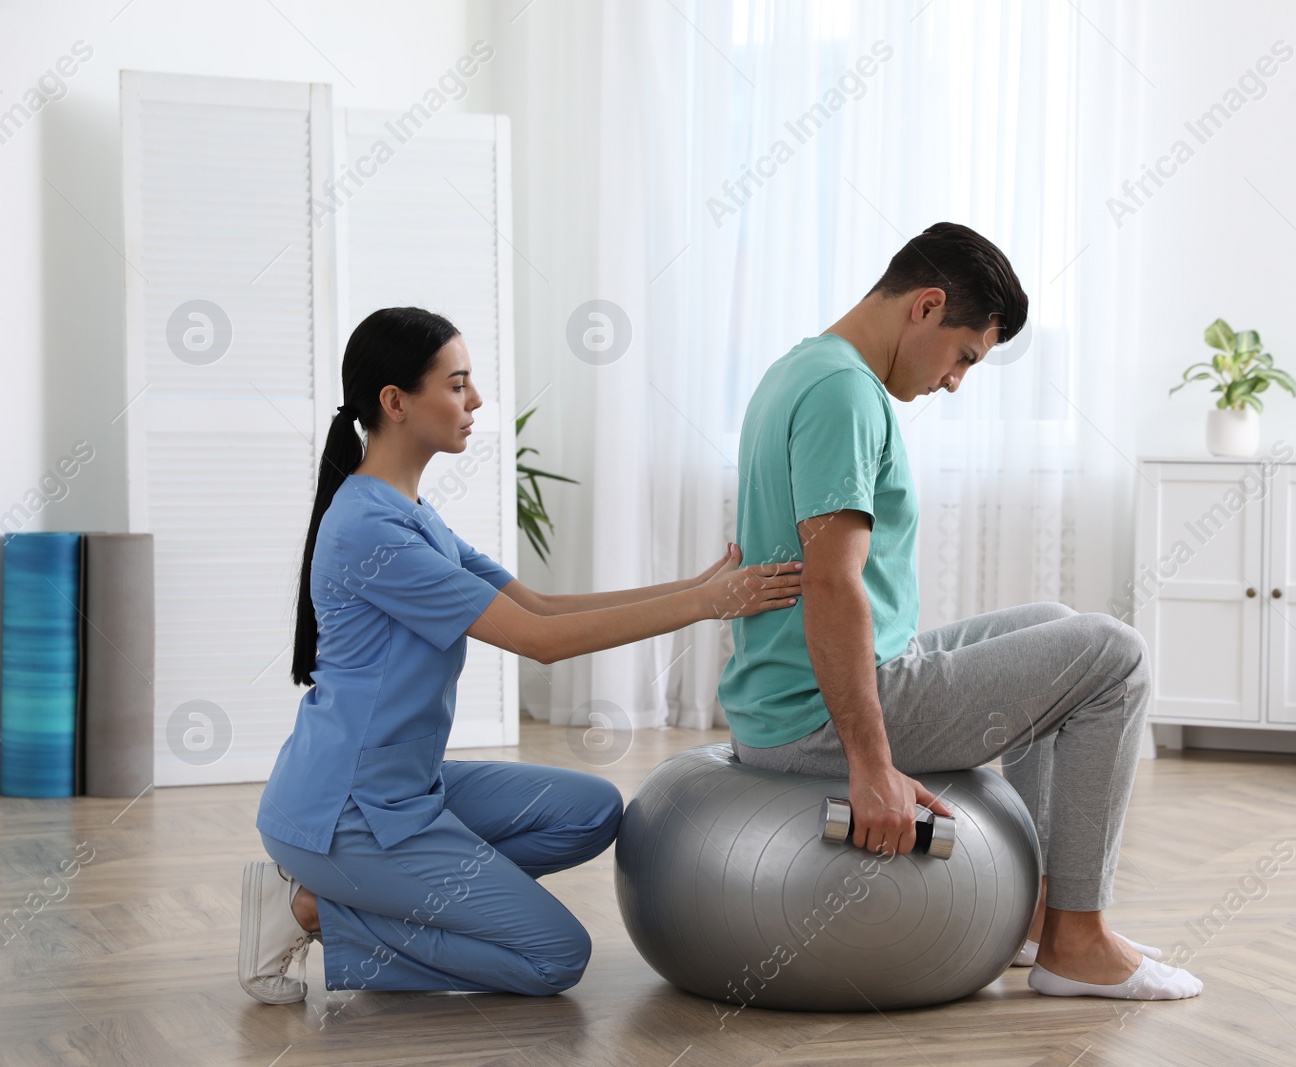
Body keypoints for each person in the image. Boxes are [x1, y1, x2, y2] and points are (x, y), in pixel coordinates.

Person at [241, 307, 803, 1005]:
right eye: (457, 384)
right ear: (395, 402)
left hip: (408, 786)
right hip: (346, 814)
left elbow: (540, 606)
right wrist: (709, 605)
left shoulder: (412, 514)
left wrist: (696, 585)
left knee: (591, 809)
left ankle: (381, 893)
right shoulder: (369, 531)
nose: (475, 402)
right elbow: (540, 643)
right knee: (553, 956)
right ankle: (314, 909)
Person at [718, 223, 1202, 1001]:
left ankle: (1043, 920)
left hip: (786, 690)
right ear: (927, 306)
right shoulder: (844, 393)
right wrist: (872, 766)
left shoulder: (804, 368)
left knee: (1051, 619)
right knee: (1116, 654)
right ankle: (1077, 940)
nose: (955, 383)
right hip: (811, 714)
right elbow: (833, 585)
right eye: (965, 357)